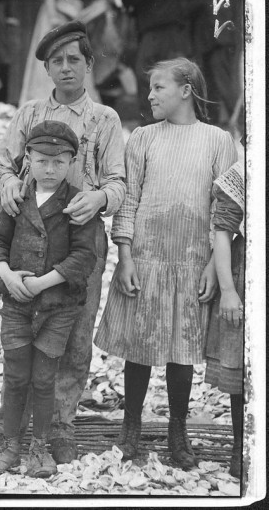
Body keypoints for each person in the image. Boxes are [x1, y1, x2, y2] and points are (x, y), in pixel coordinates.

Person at [0, 20, 126, 465]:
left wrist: (100, 196)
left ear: (88, 64)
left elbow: (120, 183)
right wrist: (7, 182)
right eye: (57, 61)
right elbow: (2, 166)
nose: (66, 68)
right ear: (46, 67)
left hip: (80, 237)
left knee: (73, 334)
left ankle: (61, 423)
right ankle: (19, 428)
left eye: (74, 60)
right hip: (28, 233)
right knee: (24, 327)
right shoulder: (28, 113)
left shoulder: (104, 119)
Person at [94, 57, 237, 469]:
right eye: (151, 87)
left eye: (159, 87)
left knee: (181, 348)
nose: (150, 95)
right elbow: (130, 198)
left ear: (186, 90)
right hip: (147, 257)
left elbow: (222, 209)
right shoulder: (142, 137)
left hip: (191, 261)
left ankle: (178, 429)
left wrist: (213, 261)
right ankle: (131, 426)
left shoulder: (216, 140)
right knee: (139, 346)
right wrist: (125, 255)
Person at [0, 121, 98, 477]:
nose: (50, 169)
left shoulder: (77, 202)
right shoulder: (16, 200)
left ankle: (40, 448)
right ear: (27, 159)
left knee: (45, 379)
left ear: (72, 163)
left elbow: (84, 257)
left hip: (58, 308)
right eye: (42, 160)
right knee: (16, 378)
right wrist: (7, 275)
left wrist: (43, 283)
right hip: (17, 305)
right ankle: (10, 445)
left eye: (59, 162)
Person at [205, 158, 245, 480]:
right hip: (248, 273)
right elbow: (223, 234)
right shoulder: (242, 174)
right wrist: (229, 290)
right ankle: (240, 446)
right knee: (244, 369)